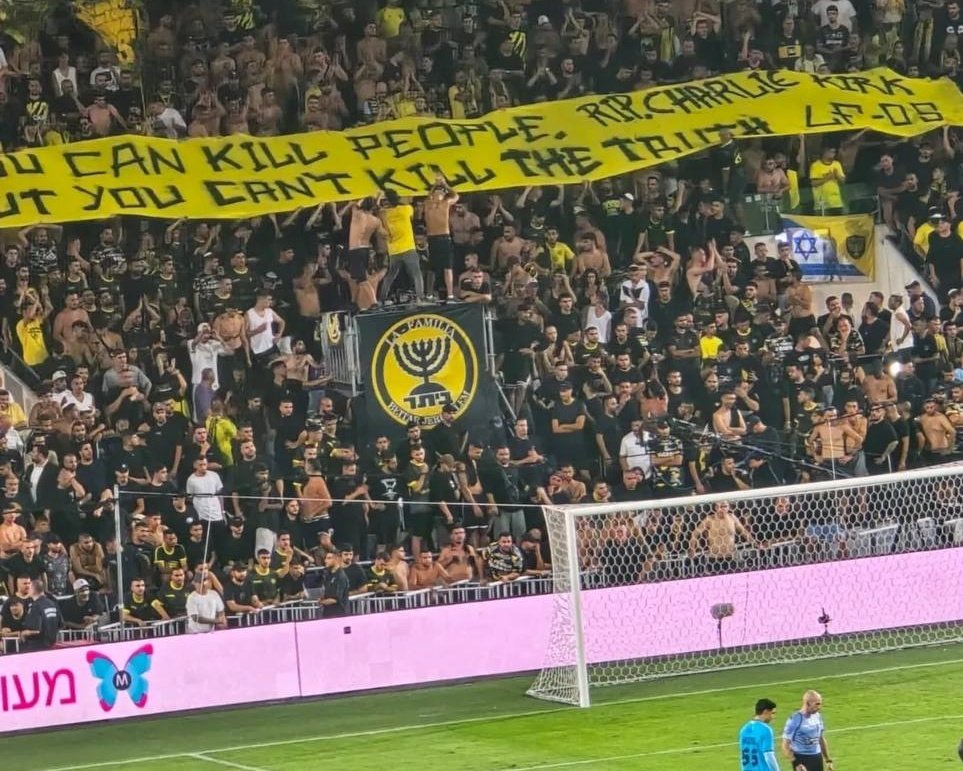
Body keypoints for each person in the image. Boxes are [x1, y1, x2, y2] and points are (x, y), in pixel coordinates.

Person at [782, 690, 834, 771]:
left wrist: (828, 760)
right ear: (807, 703)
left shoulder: (817, 716)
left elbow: (821, 738)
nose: (819, 707)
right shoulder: (795, 719)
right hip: (801, 758)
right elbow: (785, 746)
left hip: (817, 757)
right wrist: (797, 764)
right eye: (817, 704)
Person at [19, 580, 61, 651]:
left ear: (32, 590)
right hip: (52, 645)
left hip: (37, 647)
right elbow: (60, 624)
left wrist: (24, 633)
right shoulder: (52, 603)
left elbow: (36, 630)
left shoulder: (36, 605)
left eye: (29, 587)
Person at [739, 698, 779, 771]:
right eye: (772, 713)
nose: (773, 717)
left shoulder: (744, 729)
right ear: (765, 712)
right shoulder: (766, 730)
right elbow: (768, 755)